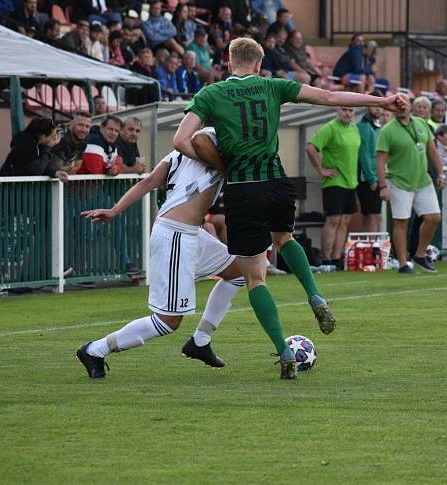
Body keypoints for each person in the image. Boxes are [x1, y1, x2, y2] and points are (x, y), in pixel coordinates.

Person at [173, 37, 408, 379]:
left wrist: (221, 164)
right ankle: (314, 294)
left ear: (228, 63)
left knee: (255, 277)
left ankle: (283, 349)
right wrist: (383, 100)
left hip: (242, 188)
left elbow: (181, 141)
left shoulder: (210, 94)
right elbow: (329, 97)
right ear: (258, 63)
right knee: (284, 237)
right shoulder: (272, 86)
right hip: (277, 181)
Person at [76, 129, 244, 378]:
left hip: (190, 233)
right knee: (168, 321)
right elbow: (198, 141)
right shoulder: (210, 137)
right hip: (176, 235)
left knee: (239, 272)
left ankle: (200, 341)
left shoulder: (180, 152)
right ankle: (95, 350)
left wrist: (115, 210)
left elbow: (148, 181)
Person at [376, 98, 444, 274]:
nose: (401, 108)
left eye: (403, 104)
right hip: (399, 181)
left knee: (434, 217)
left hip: (422, 180)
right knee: (401, 222)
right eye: (397, 105)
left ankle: (420, 255)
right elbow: (381, 160)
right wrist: (382, 185)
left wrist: (441, 173)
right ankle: (403, 264)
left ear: (410, 106)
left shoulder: (421, 123)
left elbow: (432, 151)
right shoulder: (387, 130)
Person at [306, 106, 361, 268]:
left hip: (351, 182)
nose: (347, 113)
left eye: (351, 110)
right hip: (334, 182)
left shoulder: (354, 129)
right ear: (337, 111)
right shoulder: (330, 127)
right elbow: (311, 147)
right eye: (344, 109)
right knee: (333, 220)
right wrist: (321, 169)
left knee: (344, 221)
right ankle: (326, 259)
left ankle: (336, 260)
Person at [0, 117, 68, 180]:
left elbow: (43, 164)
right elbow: (37, 170)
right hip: (8, 188)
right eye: (52, 136)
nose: (53, 139)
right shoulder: (26, 145)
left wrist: (55, 172)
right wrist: (48, 147)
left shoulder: (38, 143)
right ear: (43, 136)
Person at [356, 96, 384, 232]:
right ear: (367, 107)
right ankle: (372, 251)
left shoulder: (377, 125)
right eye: (374, 106)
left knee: (371, 216)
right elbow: (364, 154)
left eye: (380, 106)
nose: (377, 109)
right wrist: (371, 178)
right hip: (367, 178)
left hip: (376, 176)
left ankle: (367, 248)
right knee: (374, 216)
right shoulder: (364, 126)